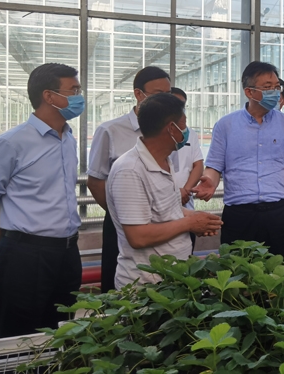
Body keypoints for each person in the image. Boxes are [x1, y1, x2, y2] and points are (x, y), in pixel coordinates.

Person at [0, 63, 84, 338]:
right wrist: (11, 242)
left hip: (67, 252)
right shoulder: (11, 143)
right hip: (25, 256)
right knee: (18, 337)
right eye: (73, 90)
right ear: (49, 96)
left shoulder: (68, 139)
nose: (79, 97)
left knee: (61, 330)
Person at [106, 94, 222, 289]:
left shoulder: (164, 161)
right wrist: (189, 223)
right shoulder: (130, 170)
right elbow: (138, 236)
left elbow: (166, 210)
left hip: (171, 278)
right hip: (147, 286)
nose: (186, 130)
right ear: (171, 128)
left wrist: (196, 218)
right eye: (183, 124)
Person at [192, 61, 284, 258]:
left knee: (280, 271)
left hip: (278, 214)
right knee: (237, 271)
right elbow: (215, 166)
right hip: (239, 216)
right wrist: (210, 181)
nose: (275, 92)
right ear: (249, 92)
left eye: (276, 87)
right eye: (267, 87)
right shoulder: (225, 125)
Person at [87, 66, 171, 293]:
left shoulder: (170, 130)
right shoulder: (111, 130)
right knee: (119, 283)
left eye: (168, 93)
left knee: (159, 281)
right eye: (158, 94)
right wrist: (122, 213)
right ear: (138, 94)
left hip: (161, 221)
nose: (165, 100)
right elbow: (95, 181)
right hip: (123, 223)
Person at [170, 86, 204, 251]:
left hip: (186, 204)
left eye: (182, 106)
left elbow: (198, 165)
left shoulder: (189, 134)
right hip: (164, 212)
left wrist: (186, 190)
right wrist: (175, 194)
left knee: (186, 254)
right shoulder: (154, 136)